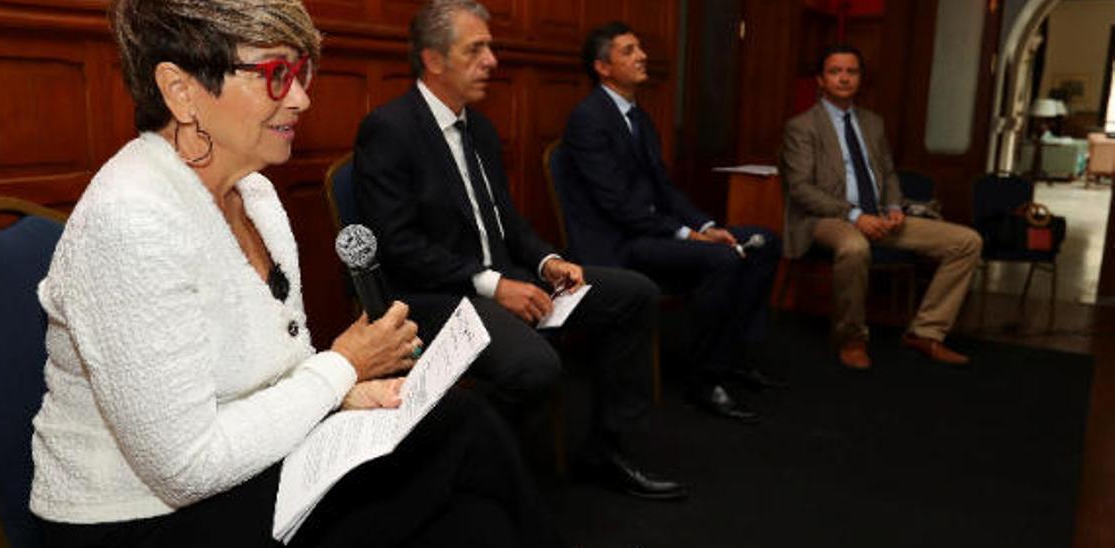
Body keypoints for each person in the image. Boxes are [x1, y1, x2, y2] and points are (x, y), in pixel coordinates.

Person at [29, 1, 564, 547]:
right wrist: (341, 372)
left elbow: (277, 370)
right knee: (466, 441)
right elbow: (185, 465)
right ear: (181, 89)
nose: (302, 97)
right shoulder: (131, 221)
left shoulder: (256, 194)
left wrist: (344, 393)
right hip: (139, 518)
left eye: (301, 71)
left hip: (245, 470)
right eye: (275, 74)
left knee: (476, 510)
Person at [352, 0, 686, 500]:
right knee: (535, 366)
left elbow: (506, 220)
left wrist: (548, 261)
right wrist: (493, 285)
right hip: (434, 298)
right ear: (434, 60)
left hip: (501, 279)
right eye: (476, 49)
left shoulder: (479, 128)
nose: (492, 61)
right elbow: (400, 248)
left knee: (633, 294)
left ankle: (605, 450)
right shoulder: (390, 129)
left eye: (490, 47)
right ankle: (476, 487)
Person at [561, 21, 782, 423]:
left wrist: (708, 225)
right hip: (617, 243)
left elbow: (666, 190)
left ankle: (731, 355)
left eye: (640, 47)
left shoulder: (639, 118)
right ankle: (704, 379)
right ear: (602, 67)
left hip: (651, 232)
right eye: (628, 50)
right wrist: (687, 235)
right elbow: (616, 205)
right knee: (724, 260)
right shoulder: (588, 118)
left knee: (765, 241)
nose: (642, 55)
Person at [778, 44, 982, 369]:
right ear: (820, 80)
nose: (844, 78)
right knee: (855, 248)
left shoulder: (872, 123)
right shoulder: (802, 127)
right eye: (835, 71)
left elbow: (887, 173)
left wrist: (893, 205)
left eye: (851, 71)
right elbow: (801, 189)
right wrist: (855, 216)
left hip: (880, 216)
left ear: (860, 78)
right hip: (826, 219)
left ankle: (926, 333)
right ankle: (851, 338)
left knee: (967, 242)